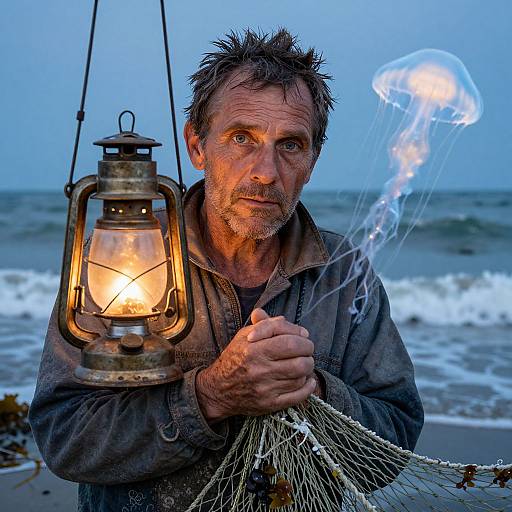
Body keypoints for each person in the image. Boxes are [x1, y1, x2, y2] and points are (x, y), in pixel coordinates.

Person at [29, 29, 424, 511]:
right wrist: (211, 395)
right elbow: (65, 437)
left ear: (313, 160)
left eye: (291, 145)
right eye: (242, 138)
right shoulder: (119, 259)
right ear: (197, 145)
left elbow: (395, 444)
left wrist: (315, 391)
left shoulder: (345, 275)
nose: (265, 171)